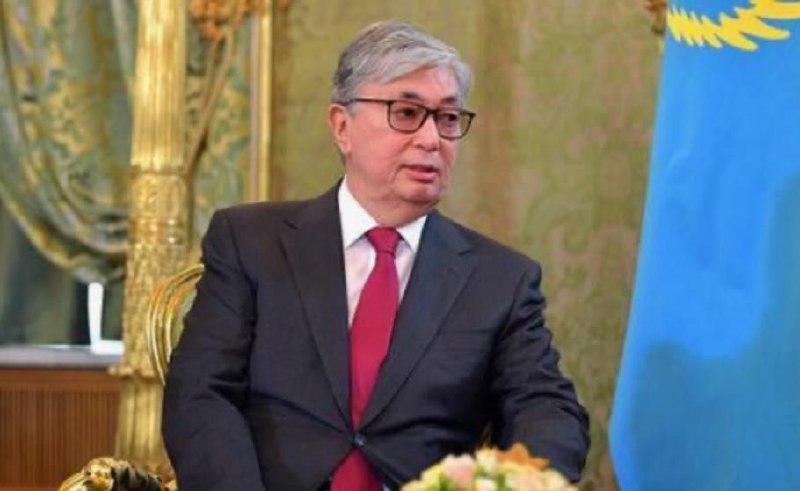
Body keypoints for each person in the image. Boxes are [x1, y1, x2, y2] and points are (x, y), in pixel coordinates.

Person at [163, 20, 589, 491]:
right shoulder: (250, 243)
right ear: (342, 127)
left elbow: (546, 409)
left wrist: (517, 483)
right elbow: (200, 393)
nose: (431, 139)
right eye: (406, 113)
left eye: (448, 118)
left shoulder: (500, 279)